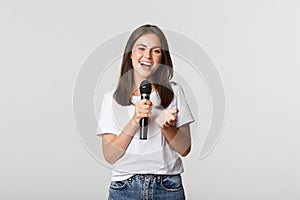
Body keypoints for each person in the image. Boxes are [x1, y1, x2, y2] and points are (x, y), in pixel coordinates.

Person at [96, 24, 194, 200]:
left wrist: (165, 126)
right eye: (141, 48)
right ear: (130, 54)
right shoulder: (112, 98)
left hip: (167, 186)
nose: (147, 56)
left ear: (162, 57)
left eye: (155, 51)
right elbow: (110, 155)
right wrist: (135, 120)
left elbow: (185, 149)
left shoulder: (175, 92)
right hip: (125, 187)